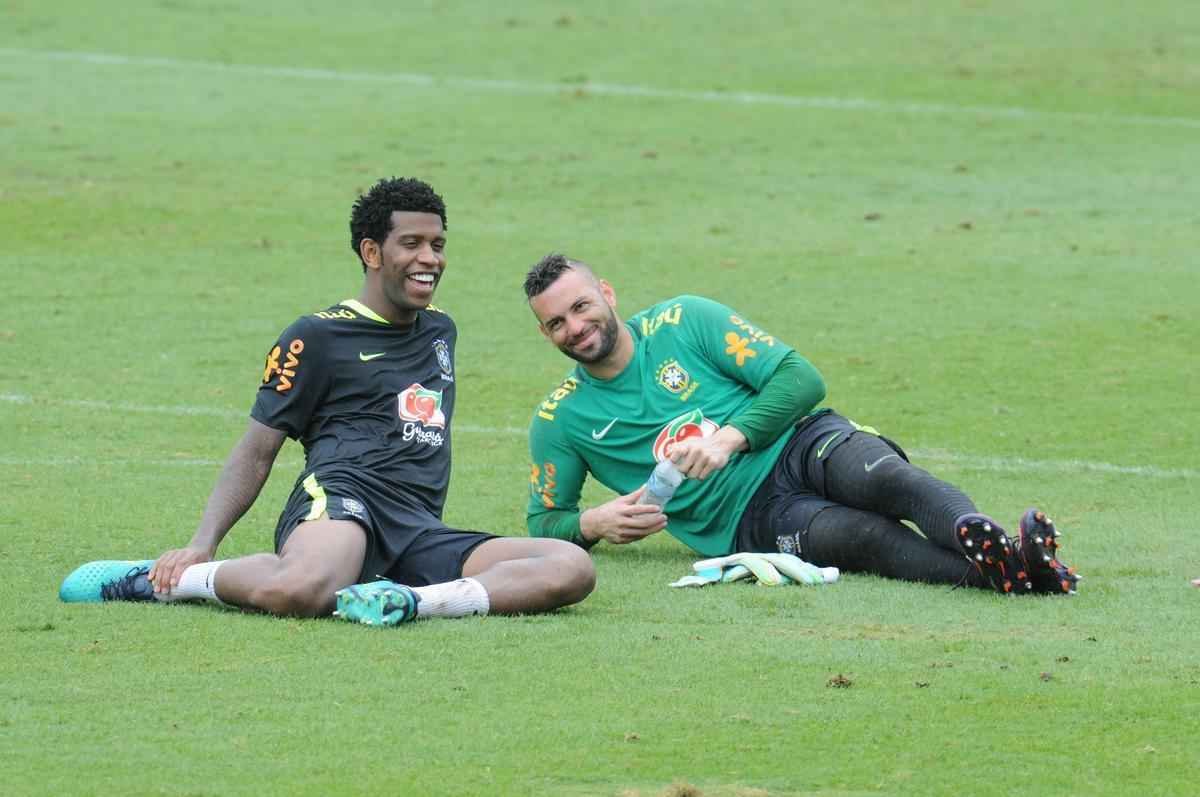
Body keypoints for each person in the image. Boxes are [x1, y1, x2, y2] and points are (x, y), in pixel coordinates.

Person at [59, 179, 595, 625]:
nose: (429, 258)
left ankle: (411, 602)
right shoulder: (314, 337)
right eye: (411, 244)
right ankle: (167, 581)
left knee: (570, 566)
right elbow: (256, 450)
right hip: (342, 501)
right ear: (371, 252)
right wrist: (203, 543)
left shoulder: (440, 331)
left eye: (437, 244)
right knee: (306, 591)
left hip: (416, 526)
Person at [521, 253, 1079, 596]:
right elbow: (545, 521)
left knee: (886, 479)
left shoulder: (686, 320)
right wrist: (593, 523)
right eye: (556, 323)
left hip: (802, 441)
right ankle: (1013, 570)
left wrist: (728, 439)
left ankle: (990, 541)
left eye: (582, 306)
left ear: (608, 295)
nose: (575, 327)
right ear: (546, 336)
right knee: (862, 539)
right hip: (750, 520)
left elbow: (800, 378)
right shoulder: (558, 420)